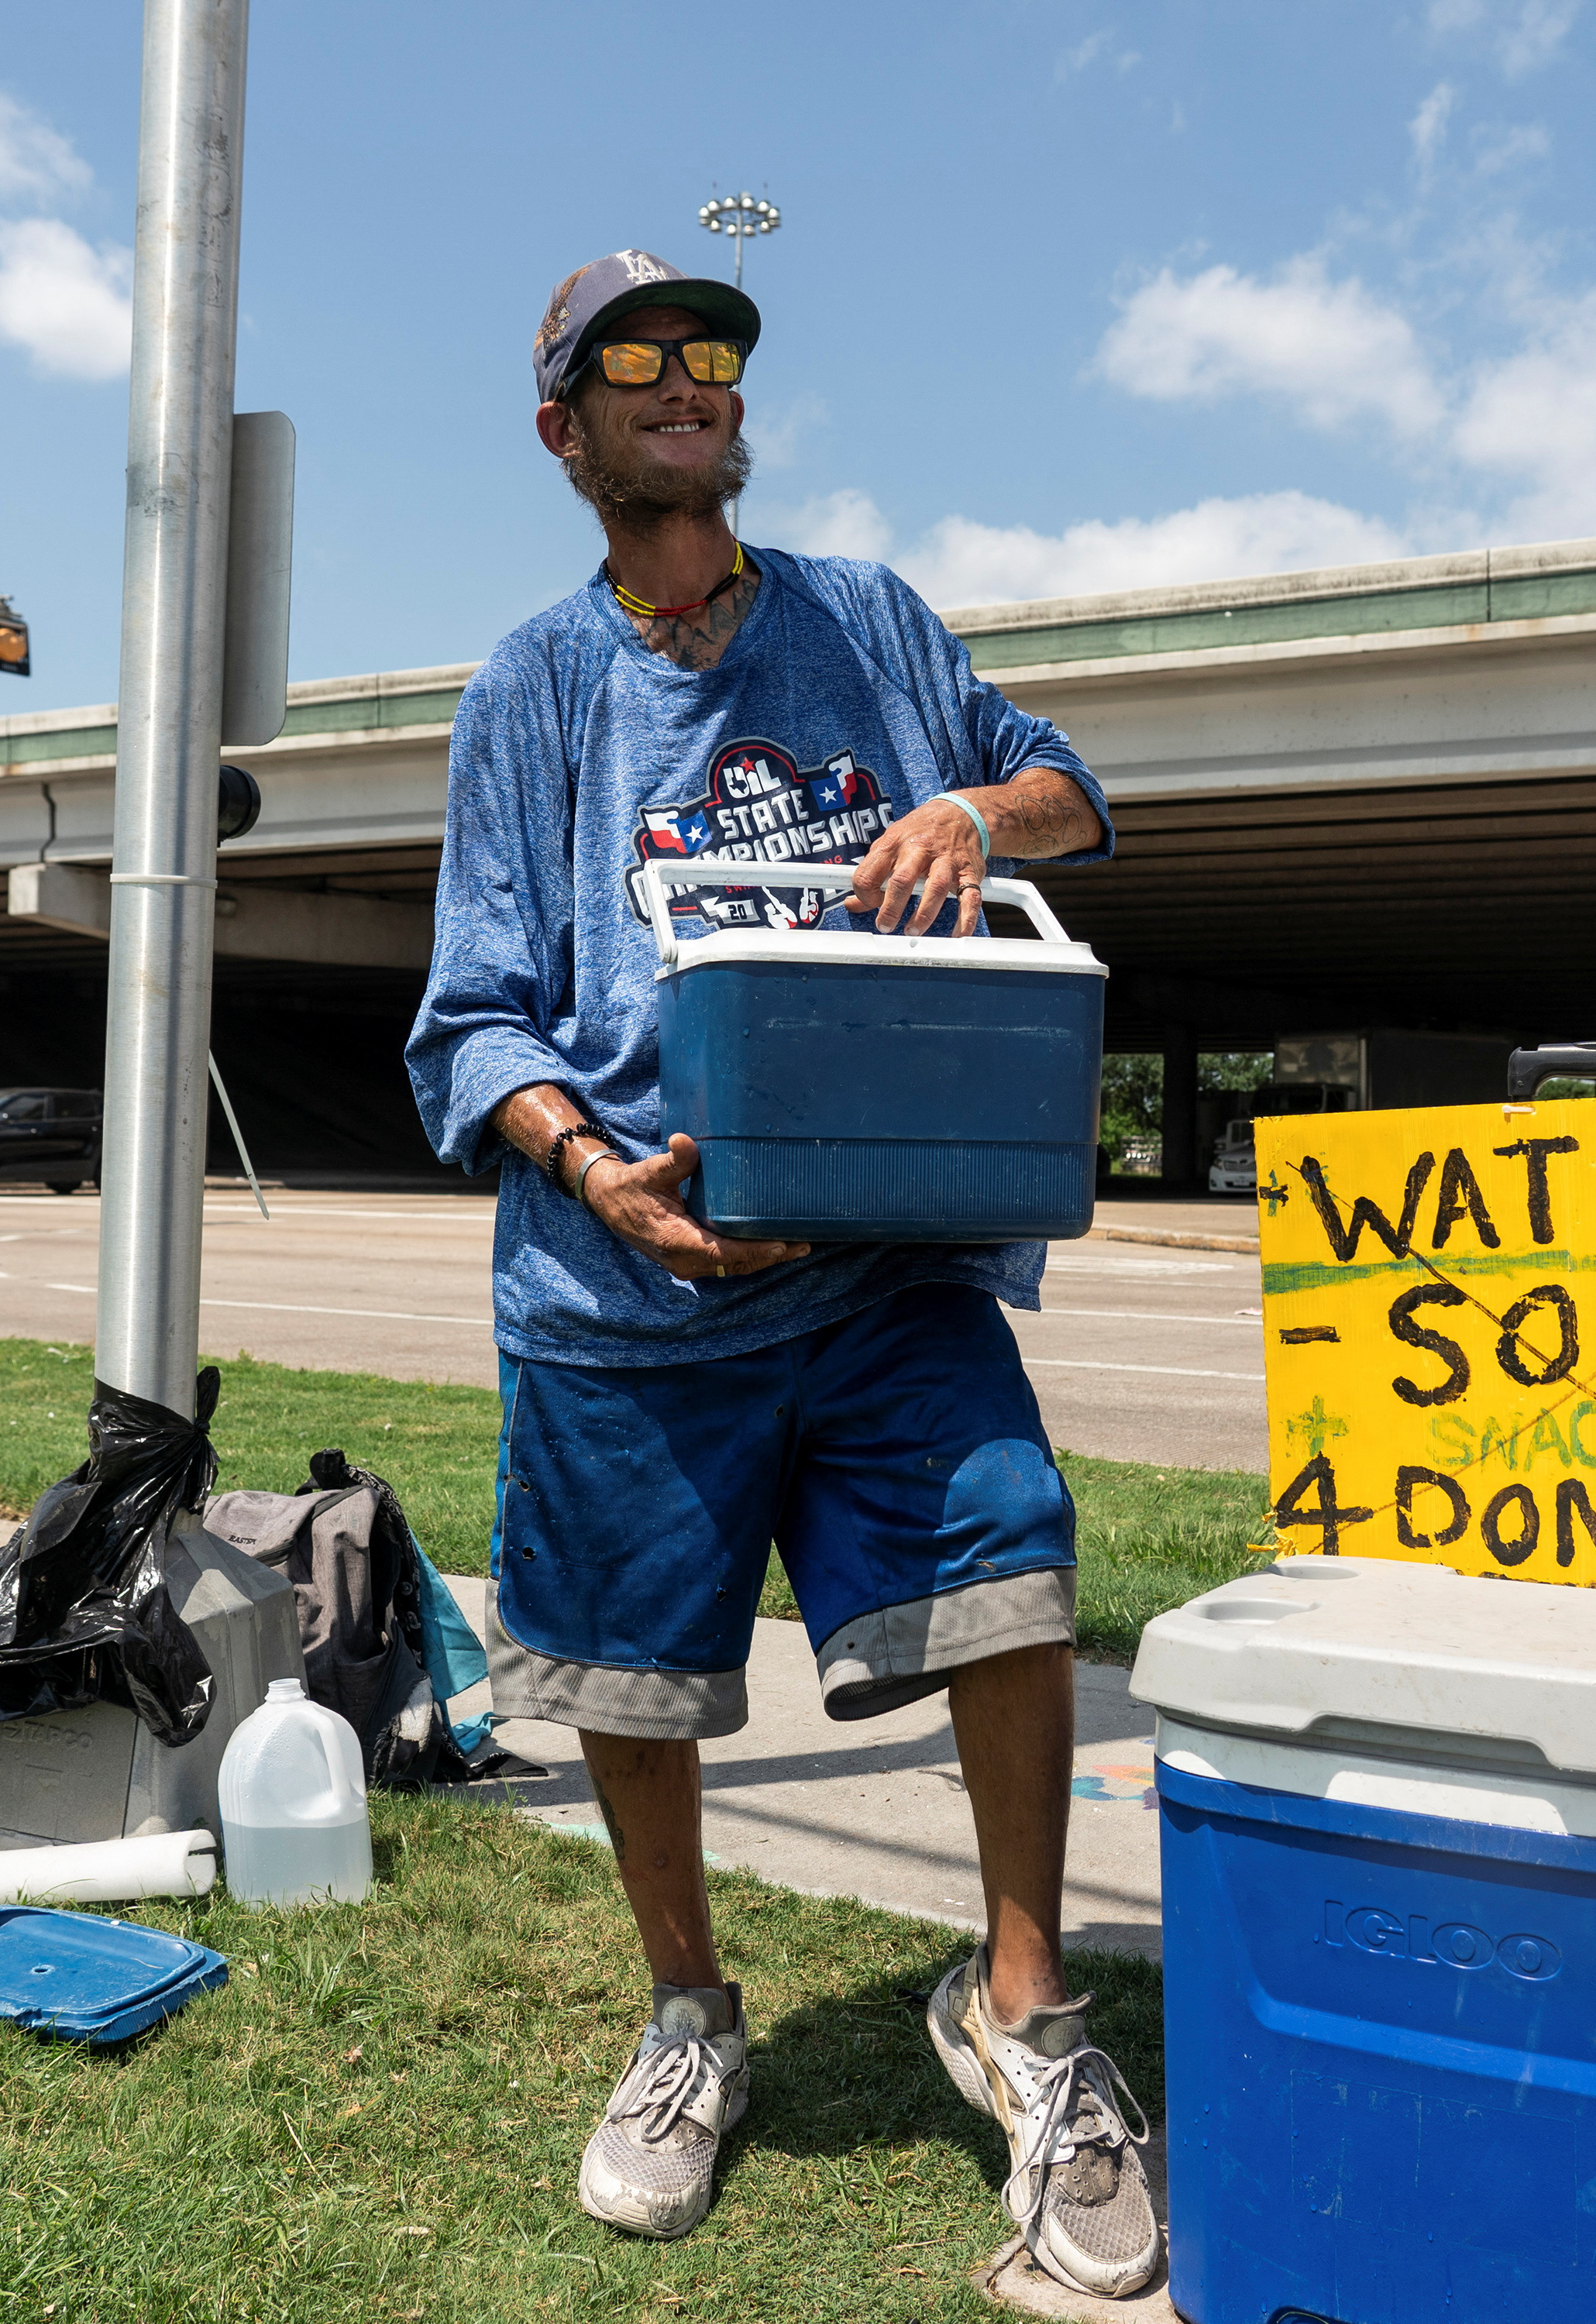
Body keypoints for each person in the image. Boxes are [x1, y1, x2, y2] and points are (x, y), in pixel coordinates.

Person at [405, 251, 1159, 2299]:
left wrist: (961, 808)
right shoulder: (533, 689)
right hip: (621, 1299)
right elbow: (470, 1024)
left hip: (882, 1261)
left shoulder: (873, 624)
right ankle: (688, 2021)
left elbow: (1078, 797)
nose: (683, 382)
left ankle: (1022, 2014)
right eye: (628, 364)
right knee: (627, 1680)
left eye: (707, 353)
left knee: (1012, 1565)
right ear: (561, 429)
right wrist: (601, 1180)